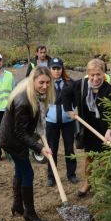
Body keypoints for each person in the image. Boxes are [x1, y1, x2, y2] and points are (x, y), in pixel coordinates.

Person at [0, 66, 54, 221]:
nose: (45, 86)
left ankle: (17, 204)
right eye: (41, 82)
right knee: (28, 173)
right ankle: (29, 212)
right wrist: (40, 148)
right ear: (33, 81)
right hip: (12, 141)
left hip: (14, 137)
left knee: (20, 170)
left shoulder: (33, 92)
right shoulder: (24, 100)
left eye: (48, 83)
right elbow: (20, 133)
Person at [62, 58, 111, 197]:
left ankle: (105, 188)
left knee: (105, 160)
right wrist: (69, 110)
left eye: (98, 74)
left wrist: (109, 132)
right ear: (88, 74)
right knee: (90, 158)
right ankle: (88, 183)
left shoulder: (108, 90)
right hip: (88, 130)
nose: (95, 78)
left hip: (106, 132)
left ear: (103, 74)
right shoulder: (80, 85)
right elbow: (65, 93)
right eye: (92, 75)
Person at [45, 57, 79, 187]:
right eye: (54, 68)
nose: (56, 71)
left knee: (69, 148)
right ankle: (51, 176)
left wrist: (74, 110)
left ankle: (71, 174)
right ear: (49, 69)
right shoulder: (46, 83)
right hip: (51, 121)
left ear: (62, 69)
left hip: (67, 121)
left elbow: (76, 100)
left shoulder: (70, 83)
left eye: (58, 68)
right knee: (51, 149)